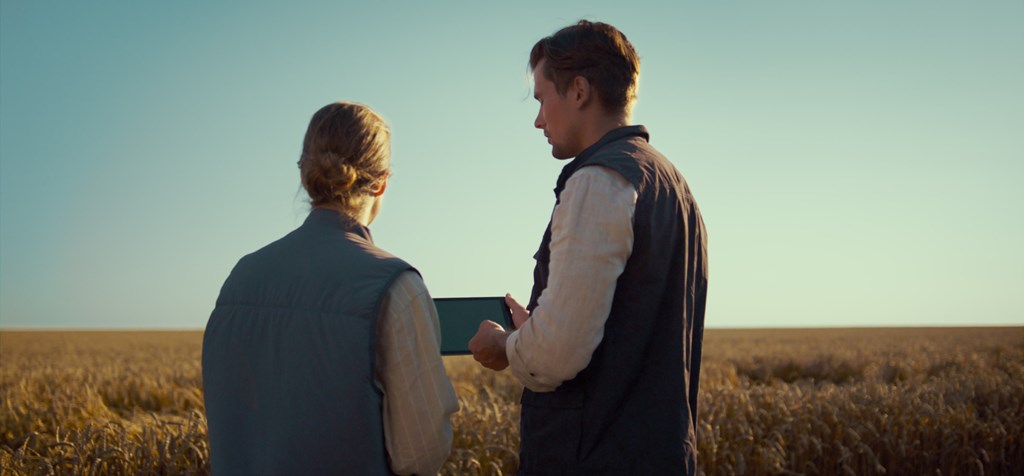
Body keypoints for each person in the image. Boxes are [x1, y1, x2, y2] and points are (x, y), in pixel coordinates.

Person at [469, 20, 709, 475]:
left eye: (542, 98)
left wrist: (507, 345)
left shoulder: (597, 181)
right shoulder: (673, 184)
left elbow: (557, 355)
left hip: (593, 458)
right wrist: (535, 325)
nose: (538, 119)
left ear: (578, 91)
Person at [202, 102, 458, 476]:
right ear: (383, 181)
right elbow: (421, 452)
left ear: (305, 172)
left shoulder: (240, 277)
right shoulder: (396, 286)